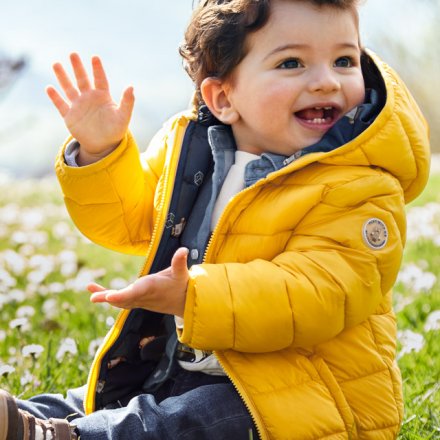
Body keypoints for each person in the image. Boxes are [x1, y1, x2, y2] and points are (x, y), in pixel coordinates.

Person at [0, 0, 431, 439]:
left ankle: (54, 436)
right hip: (185, 366)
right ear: (223, 97)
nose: (326, 81)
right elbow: (125, 221)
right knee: (89, 400)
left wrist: (194, 296)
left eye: (344, 60)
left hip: (304, 398)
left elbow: (319, 292)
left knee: (178, 421)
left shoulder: (361, 185)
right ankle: (24, 420)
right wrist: (101, 153)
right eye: (292, 63)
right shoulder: (192, 150)